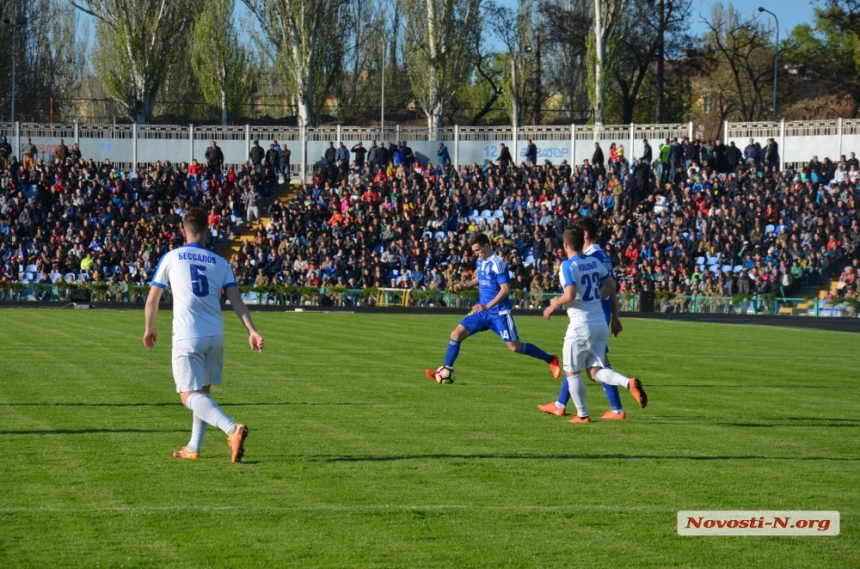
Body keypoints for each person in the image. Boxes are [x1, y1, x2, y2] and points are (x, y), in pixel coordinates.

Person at [143, 207, 264, 462]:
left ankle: (232, 429)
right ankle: (193, 447)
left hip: (188, 333)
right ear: (208, 231)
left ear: (182, 230)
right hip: (215, 335)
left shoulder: (172, 257)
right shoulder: (222, 262)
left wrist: (149, 327)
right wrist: (251, 331)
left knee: (187, 395)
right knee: (203, 394)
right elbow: (236, 300)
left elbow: (153, 298)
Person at [541, 226, 647, 423]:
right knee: (594, 371)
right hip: (600, 322)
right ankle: (628, 382)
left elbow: (570, 294)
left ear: (565, 245)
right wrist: (595, 299)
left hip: (581, 324)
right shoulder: (594, 261)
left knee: (572, 371)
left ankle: (582, 415)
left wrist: (554, 303)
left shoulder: (567, 266)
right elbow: (612, 286)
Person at [424, 233, 561, 382]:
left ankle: (551, 359)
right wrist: (465, 286)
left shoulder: (498, 263)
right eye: (474, 251)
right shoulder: (480, 261)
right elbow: (481, 277)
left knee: (515, 347)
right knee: (456, 334)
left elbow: (505, 289)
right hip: (482, 312)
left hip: (499, 313)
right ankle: (444, 370)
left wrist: (487, 306)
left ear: (487, 246)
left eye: (477, 250)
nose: (475, 254)